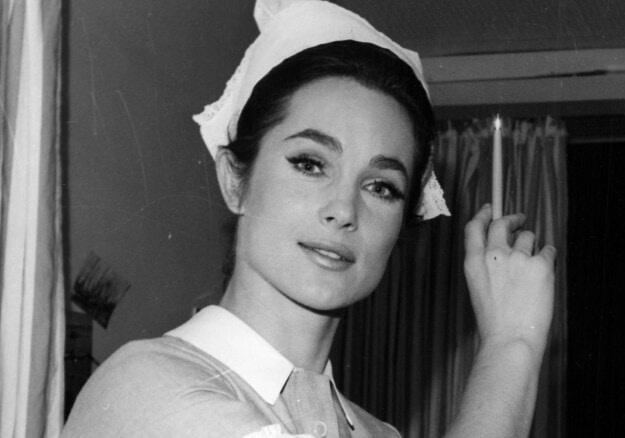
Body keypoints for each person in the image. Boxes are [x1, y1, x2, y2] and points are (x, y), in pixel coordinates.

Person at [63, 1, 556, 437]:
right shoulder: (147, 388)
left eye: (381, 187)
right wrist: (510, 343)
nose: (344, 210)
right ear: (235, 181)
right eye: (310, 164)